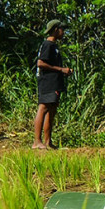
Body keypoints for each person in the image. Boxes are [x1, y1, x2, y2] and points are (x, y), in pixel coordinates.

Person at [33, 19, 72, 150]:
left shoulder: (54, 46)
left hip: (54, 82)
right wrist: (61, 69)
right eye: (62, 29)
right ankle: (37, 141)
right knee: (43, 107)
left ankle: (48, 142)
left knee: (52, 109)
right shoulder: (47, 45)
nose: (63, 32)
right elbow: (40, 63)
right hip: (47, 81)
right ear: (55, 30)